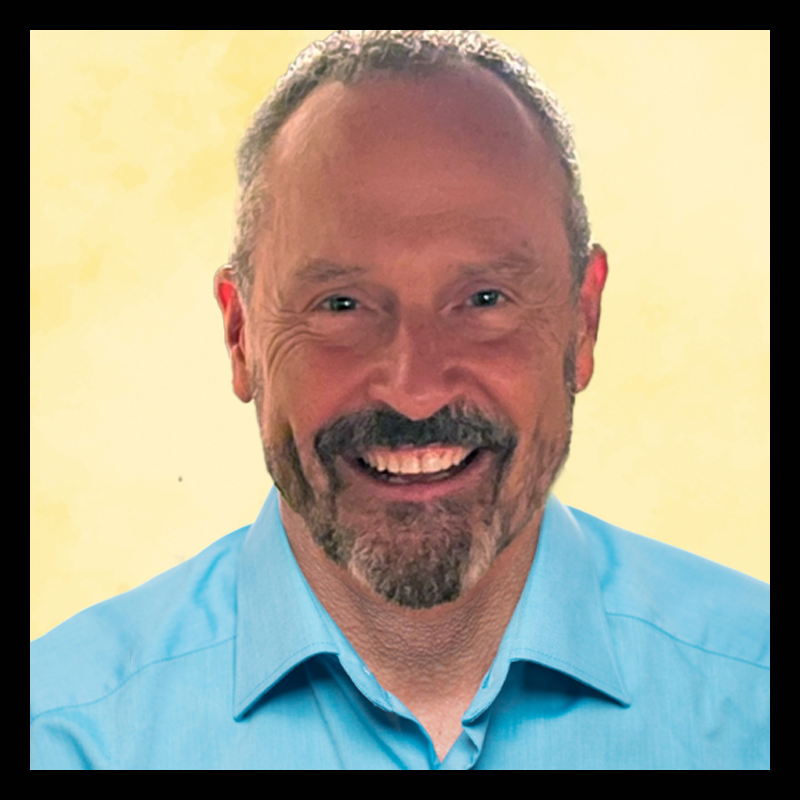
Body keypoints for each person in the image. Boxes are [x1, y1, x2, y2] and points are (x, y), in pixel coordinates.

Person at [30, 30, 769, 770]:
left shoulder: (755, 701)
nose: (415, 391)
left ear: (584, 319)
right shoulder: (63, 735)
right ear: (240, 335)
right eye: (342, 305)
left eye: (484, 299)